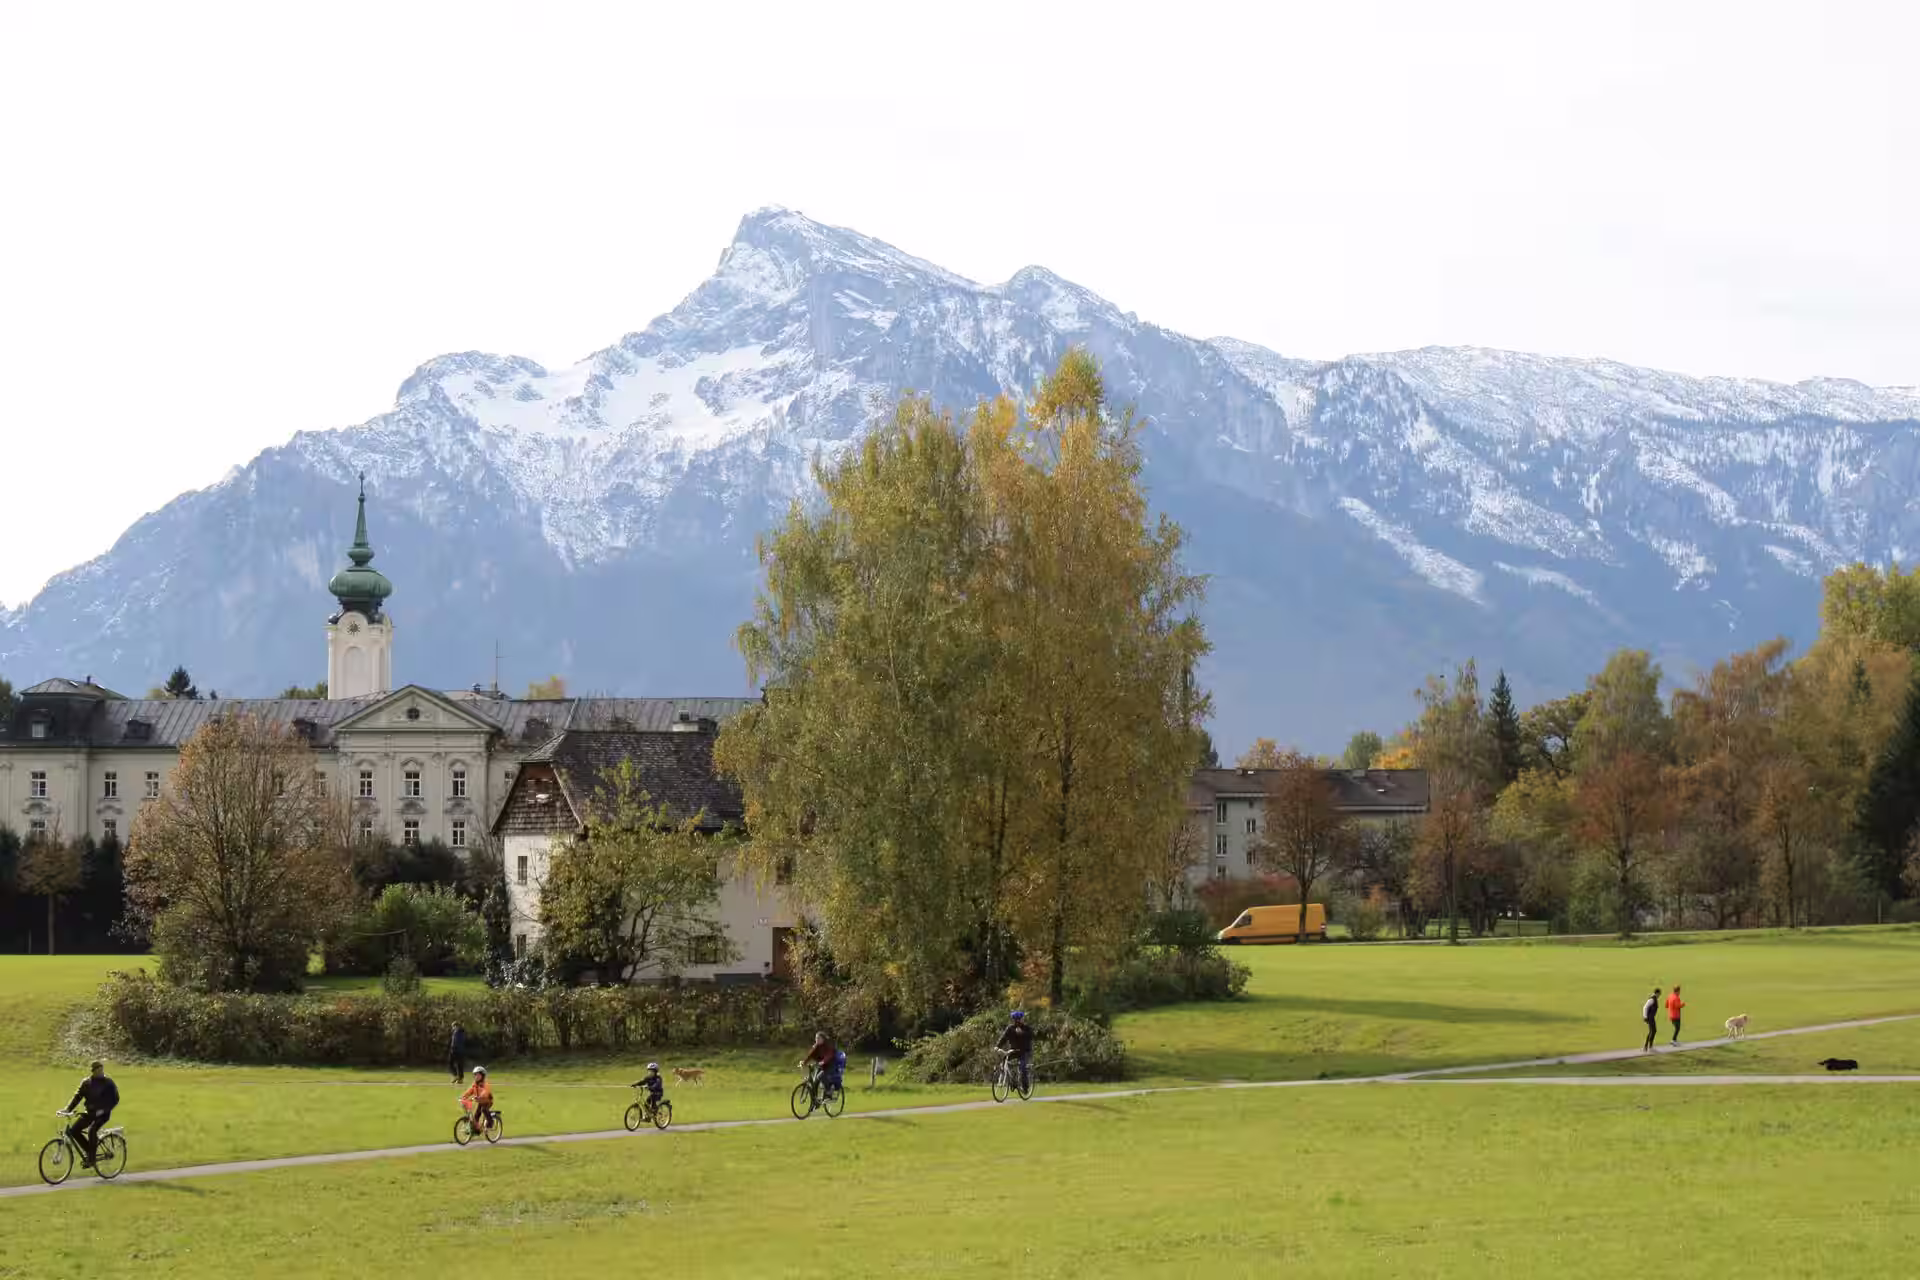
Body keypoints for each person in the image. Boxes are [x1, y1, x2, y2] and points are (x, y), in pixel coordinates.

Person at [63, 1059, 119, 1169]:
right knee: (74, 1131)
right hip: (90, 1113)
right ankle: (89, 1151)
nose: (101, 1071)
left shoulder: (108, 1082)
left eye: (101, 1069)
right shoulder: (86, 1083)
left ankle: (92, 1160)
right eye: (98, 1070)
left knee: (92, 1131)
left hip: (103, 1114)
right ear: (93, 1071)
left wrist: (104, 1110)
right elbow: (78, 1096)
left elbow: (115, 1099)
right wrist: (68, 1109)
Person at [996, 1009, 1035, 1094]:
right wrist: (997, 1046)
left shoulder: (1026, 1028)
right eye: (1017, 1019)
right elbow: (1003, 1038)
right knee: (1004, 1060)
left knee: (1022, 1067)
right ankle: (1008, 1078)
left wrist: (1022, 1033)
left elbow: (1031, 1036)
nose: (1020, 1020)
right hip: (1014, 1051)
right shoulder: (1010, 1028)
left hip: (1024, 1051)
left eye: (1021, 1018)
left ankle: (1025, 1088)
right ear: (1015, 1020)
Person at [800, 1032, 840, 1098]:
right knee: (815, 1081)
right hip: (821, 1065)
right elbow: (810, 1055)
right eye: (816, 1038)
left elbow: (829, 1055)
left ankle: (829, 1090)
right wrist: (804, 1062)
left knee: (820, 1076)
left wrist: (823, 1061)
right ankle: (816, 1101)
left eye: (818, 1038)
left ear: (823, 1039)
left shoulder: (828, 1045)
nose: (816, 1039)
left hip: (831, 1065)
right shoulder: (817, 1046)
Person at [460, 1065, 494, 1133]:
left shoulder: (485, 1084)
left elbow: (485, 1092)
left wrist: (480, 1096)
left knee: (484, 1110)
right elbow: (470, 1091)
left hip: (487, 1101)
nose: (476, 1077)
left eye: (478, 1075)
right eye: (475, 1075)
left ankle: (490, 1123)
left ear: (483, 1076)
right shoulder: (475, 1084)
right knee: (476, 1115)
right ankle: (477, 1129)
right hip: (480, 1102)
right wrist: (463, 1097)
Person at [1642, 988, 1661, 1053]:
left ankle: (1647, 1047)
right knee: (1653, 1031)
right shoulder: (1652, 999)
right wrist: (1645, 1017)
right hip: (1650, 1017)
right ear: (1657, 993)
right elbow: (1645, 1007)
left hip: (1651, 1017)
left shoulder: (1654, 999)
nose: (1659, 996)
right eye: (1659, 994)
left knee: (1652, 1031)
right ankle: (1649, 1047)